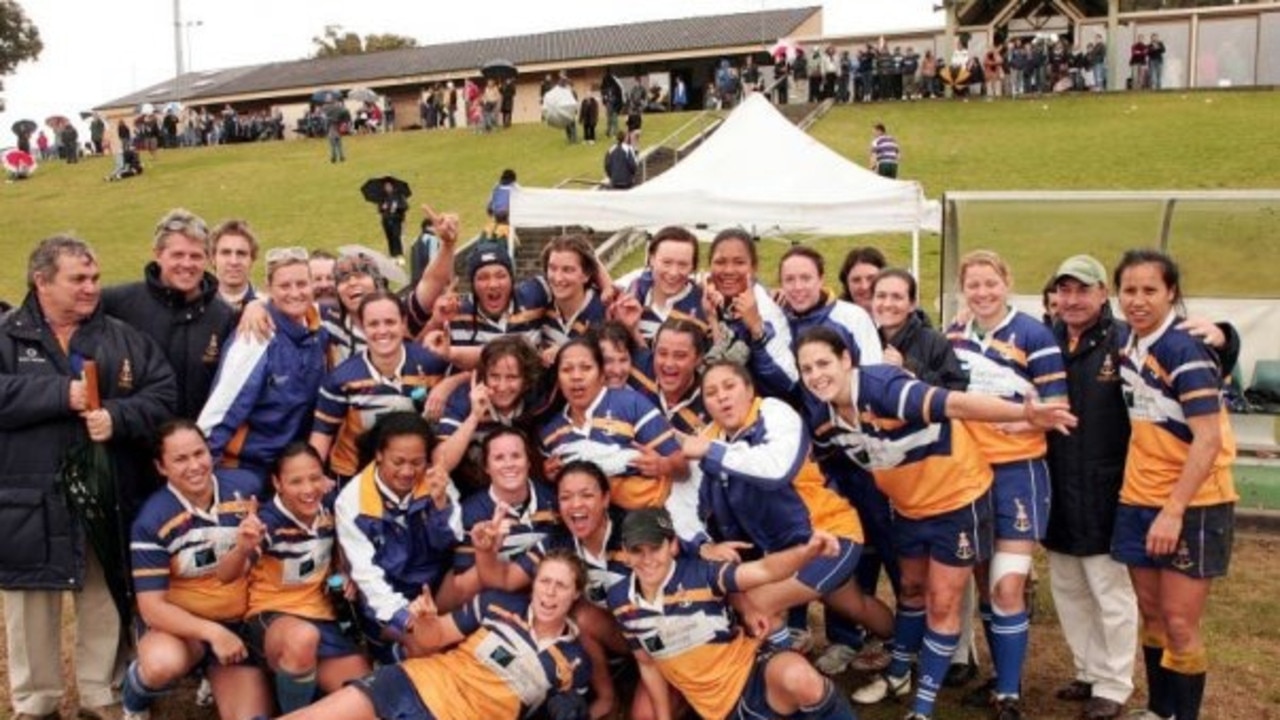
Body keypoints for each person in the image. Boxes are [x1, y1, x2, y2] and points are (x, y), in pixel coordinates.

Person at [794, 327, 1075, 720]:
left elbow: (956, 404)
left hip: (957, 499)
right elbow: (823, 465)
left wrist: (1025, 413)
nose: (815, 374)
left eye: (823, 363)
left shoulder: (883, 388)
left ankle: (923, 708)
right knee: (910, 588)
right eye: (806, 368)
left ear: (846, 360)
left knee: (942, 602)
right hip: (909, 507)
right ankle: (898, 676)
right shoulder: (821, 414)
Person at [1, 235, 176, 720]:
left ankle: (102, 692)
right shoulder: (7, 335)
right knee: (31, 603)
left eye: (95, 278)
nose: (90, 288)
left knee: (102, 595)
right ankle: (36, 701)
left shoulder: (122, 338)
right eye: (77, 279)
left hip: (104, 494)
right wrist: (61, 395)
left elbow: (162, 396)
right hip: (27, 498)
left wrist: (118, 417)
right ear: (42, 281)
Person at [1110, 249, 1237, 720]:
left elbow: (1207, 439)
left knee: (1181, 623)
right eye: (1129, 290)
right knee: (1153, 614)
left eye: (1150, 290)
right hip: (1137, 497)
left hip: (1193, 503)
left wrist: (1174, 509)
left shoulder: (1184, 348)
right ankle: (1158, 711)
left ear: (1172, 294)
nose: (1138, 300)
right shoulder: (1128, 342)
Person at [946, 250, 1068, 719]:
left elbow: (1056, 404)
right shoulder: (953, 334)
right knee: (982, 579)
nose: (981, 292)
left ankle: (1011, 693)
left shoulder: (1034, 334)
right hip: (969, 475)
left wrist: (1019, 424)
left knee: (1007, 586)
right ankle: (1002, 676)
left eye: (989, 283)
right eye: (973, 285)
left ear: (1006, 282)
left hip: (1018, 473)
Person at [274, 549, 592, 720]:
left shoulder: (575, 662)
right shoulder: (497, 604)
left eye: (561, 585)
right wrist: (425, 621)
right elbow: (430, 640)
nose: (549, 593)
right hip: (411, 683)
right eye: (544, 582)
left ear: (576, 594)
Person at [609, 507, 861, 720]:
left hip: (754, 674)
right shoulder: (621, 601)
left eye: (655, 548)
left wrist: (806, 552)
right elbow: (647, 663)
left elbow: (764, 570)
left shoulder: (703, 574)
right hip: (719, 711)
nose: (647, 559)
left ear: (673, 545)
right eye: (637, 551)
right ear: (625, 552)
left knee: (801, 678)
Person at [121, 420, 270, 720]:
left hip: (237, 621)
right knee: (162, 664)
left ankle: (213, 677)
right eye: (180, 459)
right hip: (182, 628)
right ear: (161, 468)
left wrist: (248, 547)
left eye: (199, 453)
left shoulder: (247, 488)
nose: (194, 466)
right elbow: (152, 608)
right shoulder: (151, 520)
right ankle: (134, 702)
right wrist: (212, 632)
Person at [217, 443, 370, 713]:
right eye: (295, 481)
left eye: (314, 477)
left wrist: (346, 575)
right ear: (277, 483)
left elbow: (341, 551)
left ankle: (295, 684)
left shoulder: (331, 507)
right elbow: (226, 575)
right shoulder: (268, 522)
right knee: (302, 639)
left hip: (323, 615)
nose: (308, 489)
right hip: (273, 616)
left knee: (364, 694)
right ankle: (293, 711)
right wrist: (241, 548)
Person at [333, 412, 460, 663]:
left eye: (417, 462)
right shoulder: (351, 501)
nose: (407, 471)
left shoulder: (438, 482)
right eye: (398, 461)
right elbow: (367, 578)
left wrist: (439, 505)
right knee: (426, 645)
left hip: (434, 592)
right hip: (387, 605)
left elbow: (449, 543)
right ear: (379, 455)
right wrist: (410, 620)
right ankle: (390, 656)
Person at [198, 247, 327, 493]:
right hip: (247, 469)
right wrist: (201, 477)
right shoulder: (255, 337)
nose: (295, 293)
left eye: (302, 284)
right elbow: (218, 415)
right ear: (269, 289)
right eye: (284, 286)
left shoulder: (319, 332)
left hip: (293, 468)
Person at [102, 208, 236, 420]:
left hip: (196, 446)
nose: (187, 264)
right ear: (157, 254)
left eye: (196, 256)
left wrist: (255, 307)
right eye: (178, 255)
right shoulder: (117, 303)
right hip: (133, 442)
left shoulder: (224, 316)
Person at [310, 292, 449, 481]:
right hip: (355, 474)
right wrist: (314, 477)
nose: (382, 330)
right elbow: (322, 434)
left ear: (403, 322)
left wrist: (448, 384)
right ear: (362, 327)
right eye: (373, 324)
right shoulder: (341, 378)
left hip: (415, 472)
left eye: (390, 322)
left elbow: (472, 372)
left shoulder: (432, 363)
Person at [540, 338, 687, 512]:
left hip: (646, 513)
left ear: (602, 374)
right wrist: (550, 476)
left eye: (586, 368)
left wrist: (665, 465)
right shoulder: (549, 433)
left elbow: (683, 468)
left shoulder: (631, 404)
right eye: (566, 370)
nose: (576, 376)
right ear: (558, 378)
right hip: (585, 517)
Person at [702, 228, 797, 399]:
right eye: (720, 262)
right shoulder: (713, 300)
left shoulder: (767, 310)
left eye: (739, 262)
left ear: (753, 268)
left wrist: (758, 331)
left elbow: (789, 382)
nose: (729, 270)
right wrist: (712, 320)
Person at [624, 225, 707, 344]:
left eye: (683, 264)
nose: (673, 272)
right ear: (651, 259)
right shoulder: (632, 294)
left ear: (693, 267)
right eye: (666, 262)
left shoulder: (704, 305)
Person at [210, 219, 258, 317]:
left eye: (241, 253)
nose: (234, 261)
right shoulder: (195, 308)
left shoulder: (268, 308)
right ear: (213, 258)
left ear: (252, 260)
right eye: (226, 253)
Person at [838, 246, 887, 313]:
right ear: (847, 285)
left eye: (871, 278)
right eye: (856, 280)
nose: (864, 287)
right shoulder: (835, 319)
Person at [378, 180, 409, 261]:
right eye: (385, 186)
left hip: (396, 220)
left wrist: (397, 207)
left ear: (392, 186)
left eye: (389, 186)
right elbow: (380, 209)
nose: (387, 188)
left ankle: (399, 255)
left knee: (396, 236)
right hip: (386, 220)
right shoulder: (383, 197)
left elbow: (405, 206)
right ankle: (392, 255)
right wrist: (382, 207)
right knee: (389, 237)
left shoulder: (399, 196)